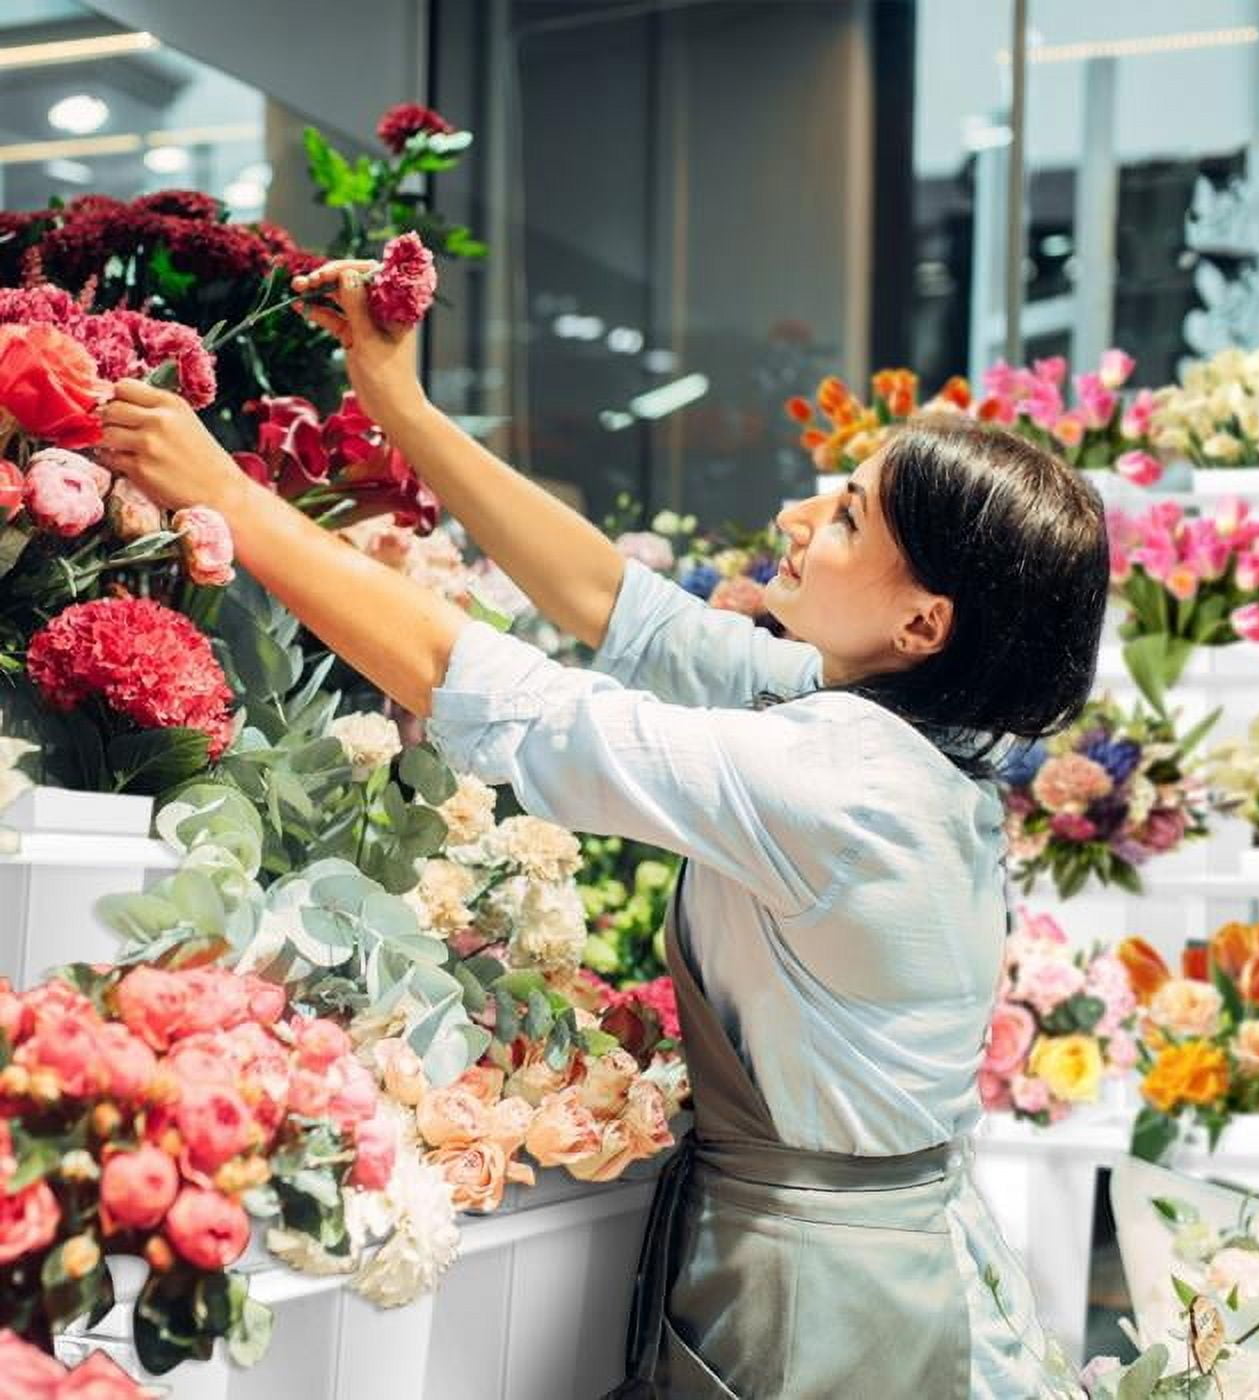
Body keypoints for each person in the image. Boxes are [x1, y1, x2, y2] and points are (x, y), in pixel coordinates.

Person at [98, 260, 1107, 1399]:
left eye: (845, 517)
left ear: (923, 620)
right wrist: (405, 410)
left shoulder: (844, 781)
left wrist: (231, 500)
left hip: (834, 1292)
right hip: (883, 1236)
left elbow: (487, 689)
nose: (796, 512)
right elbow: (609, 603)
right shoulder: (888, 720)